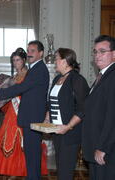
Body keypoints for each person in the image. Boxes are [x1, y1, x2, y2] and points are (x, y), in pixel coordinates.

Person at [0, 40, 49, 180]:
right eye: (29, 51)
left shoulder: (39, 70)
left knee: (32, 153)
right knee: (31, 154)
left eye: (33, 51)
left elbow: (21, 88)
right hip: (29, 116)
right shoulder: (35, 68)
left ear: (41, 53)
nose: (30, 53)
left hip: (33, 117)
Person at [45, 48, 89, 180]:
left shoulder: (77, 80)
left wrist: (68, 126)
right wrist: (47, 118)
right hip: (57, 130)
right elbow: (50, 102)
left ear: (65, 61)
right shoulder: (57, 78)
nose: (55, 62)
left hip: (70, 132)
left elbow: (82, 109)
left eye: (57, 59)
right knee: (61, 169)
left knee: (66, 172)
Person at [82, 35, 115, 180]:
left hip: (106, 150)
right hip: (96, 145)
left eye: (102, 51)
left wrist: (103, 147)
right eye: (95, 52)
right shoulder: (102, 76)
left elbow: (112, 117)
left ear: (114, 54)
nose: (97, 55)